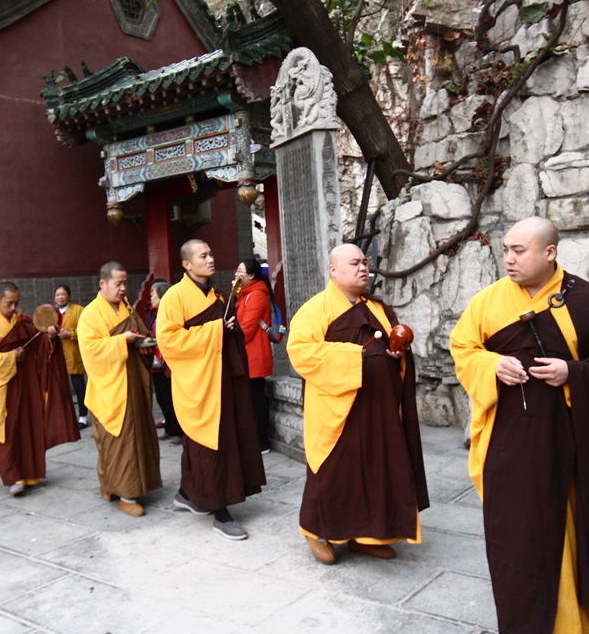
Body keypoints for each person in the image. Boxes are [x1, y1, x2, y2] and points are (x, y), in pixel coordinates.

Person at [449, 216, 589, 634]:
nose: (510, 259)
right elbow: (464, 349)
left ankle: (581, 623)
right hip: (514, 437)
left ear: (550, 253)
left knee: (575, 526)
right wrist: (492, 367)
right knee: (520, 530)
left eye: (520, 250)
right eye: (505, 250)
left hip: (576, 437)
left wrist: (573, 373)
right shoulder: (489, 301)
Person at [287, 244, 429, 565]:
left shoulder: (378, 307)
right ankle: (317, 531)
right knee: (335, 472)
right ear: (334, 271)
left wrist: (396, 354)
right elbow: (301, 353)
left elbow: (392, 345)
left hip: (378, 408)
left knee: (377, 470)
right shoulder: (315, 309)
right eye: (354, 263)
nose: (363, 268)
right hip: (338, 408)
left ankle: (367, 535)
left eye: (365, 262)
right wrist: (355, 357)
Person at [156, 239, 265, 540]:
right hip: (198, 382)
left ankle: (187, 494)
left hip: (221, 377)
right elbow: (169, 341)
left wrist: (228, 329)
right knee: (209, 444)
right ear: (187, 264)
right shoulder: (175, 297)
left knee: (207, 443)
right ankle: (220, 512)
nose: (210, 258)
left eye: (211, 253)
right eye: (203, 255)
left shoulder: (217, 294)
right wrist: (216, 329)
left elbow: (229, 329)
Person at [0, 282, 78, 497]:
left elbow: (39, 342)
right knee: (6, 430)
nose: (13, 308)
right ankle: (13, 477)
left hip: (25, 382)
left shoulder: (21, 320)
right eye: (9, 303)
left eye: (17, 303)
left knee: (28, 426)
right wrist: (11, 357)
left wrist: (49, 335)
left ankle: (29, 473)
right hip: (0, 387)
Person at [76, 262, 162, 516]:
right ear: (102, 284)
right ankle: (126, 494)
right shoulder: (91, 314)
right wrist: (122, 341)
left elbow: (141, 332)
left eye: (125, 283)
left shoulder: (126, 308)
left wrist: (144, 342)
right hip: (110, 388)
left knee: (135, 439)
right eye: (118, 283)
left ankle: (111, 485)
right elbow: (90, 352)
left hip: (132, 383)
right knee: (116, 443)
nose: (123, 288)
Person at [234, 258, 274, 454]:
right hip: (246, 354)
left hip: (254, 354)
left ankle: (262, 441)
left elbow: (246, 329)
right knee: (250, 398)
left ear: (251, 275)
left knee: (255, 398)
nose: (236, 274)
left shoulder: (256, 295)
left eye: (240, 271)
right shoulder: (243, 294)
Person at [145, 279, 181, 444]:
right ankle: (170, 427)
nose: (151, 296)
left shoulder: (169, 316)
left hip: (167, 364)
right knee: (163, 399)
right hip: (157, 364)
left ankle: (180, 431)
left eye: (154, 293)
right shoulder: (155, 314)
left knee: (172, 400)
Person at [54, 285, 88, 427]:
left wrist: (71, 334)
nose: (60, 297)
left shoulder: (79, 310)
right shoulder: (50, 312)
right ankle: (65, 417)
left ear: (69, 296)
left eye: (63, 294)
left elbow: (87, 331)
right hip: (57, 354)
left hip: (74, 353)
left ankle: (83, 416)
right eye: (58, 295)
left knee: (79, 387)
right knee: (61, 389)